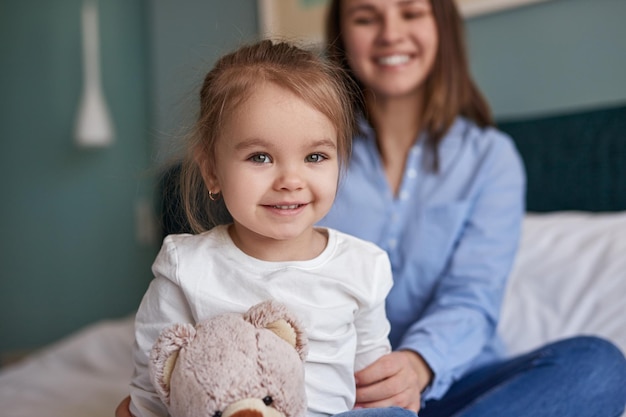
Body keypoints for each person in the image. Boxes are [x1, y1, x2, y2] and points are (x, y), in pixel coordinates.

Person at [318, 0, 626, 416]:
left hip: (462, 385)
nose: (390, 33)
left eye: (411, 13)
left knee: (598, 366)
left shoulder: (490, 159)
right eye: (365, 17)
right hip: (345, 392)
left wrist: (418, 364)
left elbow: (472, 295)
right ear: (340, 34)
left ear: (441, 27)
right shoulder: (311, 151)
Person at [127, 39, 408, 417]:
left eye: (315, 156)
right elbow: (155, 383)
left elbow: (374, 388)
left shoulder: (362, 266)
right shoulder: (186, 268)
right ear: (211, 169)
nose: (291, 180)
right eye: (260, 157)